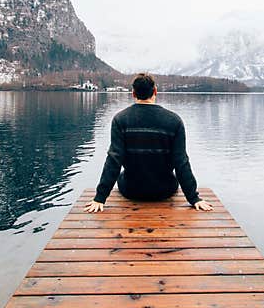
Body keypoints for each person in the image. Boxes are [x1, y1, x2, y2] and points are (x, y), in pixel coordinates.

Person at [84, 73, 214, 213]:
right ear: (155, 91)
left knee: (122, 174)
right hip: (165, 191)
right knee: (173, 176)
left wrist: (100, 198)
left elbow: (114, 160)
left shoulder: (120, 120)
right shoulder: (174, 121)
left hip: (131, 190)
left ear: (133, 93)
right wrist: (194, 198)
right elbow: (181, 162)